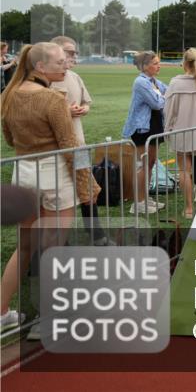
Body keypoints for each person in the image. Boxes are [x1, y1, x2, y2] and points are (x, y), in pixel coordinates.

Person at [0, 43, 93, 328]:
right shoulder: (52, 99)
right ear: (40, 67)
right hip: (55, 176)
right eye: (60, 62)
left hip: (24, 172)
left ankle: (3, 313)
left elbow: (10, 140)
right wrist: (87, 184)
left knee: (25, 247)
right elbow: (70, 146)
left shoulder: (10, 94)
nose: (66, 65)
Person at [49, 36, 107, 244]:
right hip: (54, 149)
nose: (74, 56)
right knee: (58, 197)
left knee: (88, 190)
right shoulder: (45, 79)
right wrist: (65, 111)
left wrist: (83, 109)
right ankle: (58, 245)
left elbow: (86, 102)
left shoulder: (74, 77)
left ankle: (96, 234)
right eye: (69, 52)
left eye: (74, 52)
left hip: (79, 145)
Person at [164, 48, 196, 219]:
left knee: (184, 170)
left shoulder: (175, 83)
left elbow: (169, 111)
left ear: (184, 63)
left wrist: (167, 130)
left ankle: (189, 208)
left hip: (181, 132)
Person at [122, 51, 168, 214]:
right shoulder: (141, 82)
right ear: (144, 66)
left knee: (151, 163)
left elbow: (168, 93)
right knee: (143, 165)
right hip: (142, 128)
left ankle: (145, 197)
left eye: (158, 62)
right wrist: (164, 97)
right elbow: (157, 104)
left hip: (154, 126)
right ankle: (138, 203)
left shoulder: (154, 81)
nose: (159, 66)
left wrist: (164, 96)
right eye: (155, 63)